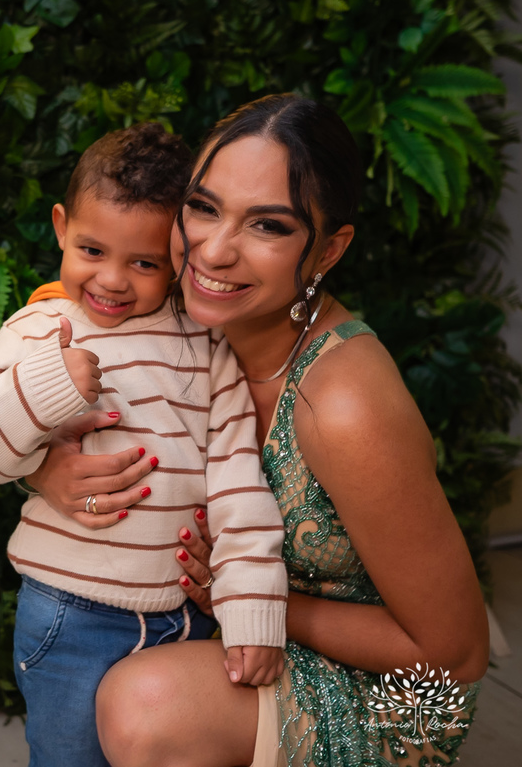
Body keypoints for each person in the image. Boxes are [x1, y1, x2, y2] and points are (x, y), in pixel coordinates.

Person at [28, 94, 490, 766]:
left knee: (145, 704)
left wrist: (250, 599)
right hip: (223, 621)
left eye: (269, 226)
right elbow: (35, 397)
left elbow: (455, 650)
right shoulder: (159, 307)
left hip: (388, 692)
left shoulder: (342, 403)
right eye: (203, 206)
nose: (213, 250)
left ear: (328, 248)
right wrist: (44, 471)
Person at [0, 123, 288, 767]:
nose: (111, 280)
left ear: (180, 256)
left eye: (144, 262)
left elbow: (241, 488)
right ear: (60, 226)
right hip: (69, 617)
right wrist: (50, 382)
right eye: (91, 249)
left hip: (185, 620)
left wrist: (251, 616)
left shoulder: (204, 349)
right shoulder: (40, 326)